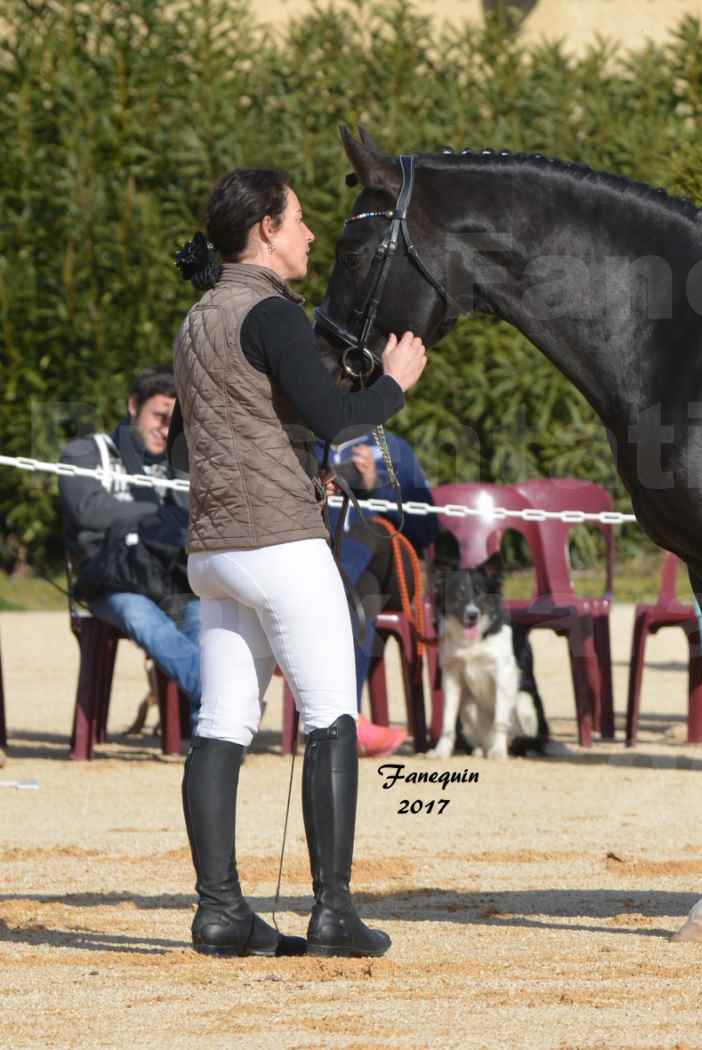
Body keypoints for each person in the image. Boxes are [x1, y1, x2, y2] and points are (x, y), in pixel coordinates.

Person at [169, 167, 427, 958]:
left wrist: (287, 461)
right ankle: (334, 912)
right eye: (301, 220)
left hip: (213, 547)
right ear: (267, 230)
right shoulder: (273, 313)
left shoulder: (196, 319)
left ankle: (220, 911)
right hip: (280, 542)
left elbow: (209, 436)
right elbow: (339, 417)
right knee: (331, 716)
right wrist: (396, 383)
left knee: (220, 725)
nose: (312, 234)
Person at [59, 365, 202, 723]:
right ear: (133, 406)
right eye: (159, 416)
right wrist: (158, 514)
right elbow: (88, 511)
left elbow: (196, 522)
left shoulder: (180, 465)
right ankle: (223, 700)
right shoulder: (87, 452)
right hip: (113, 581)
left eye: (175, 421)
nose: (166, 429)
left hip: (171, 581)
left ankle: (208, 731)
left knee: (207, 620)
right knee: (144, 618)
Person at [320, 429, 439, 756]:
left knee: (369, 530)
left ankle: (331, 596)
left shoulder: (392, 448)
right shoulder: (310, 443)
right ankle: (349, 723)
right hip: (351, 580)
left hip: (395, 573)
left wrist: (376, 487)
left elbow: (428, 528)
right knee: (359, 601)